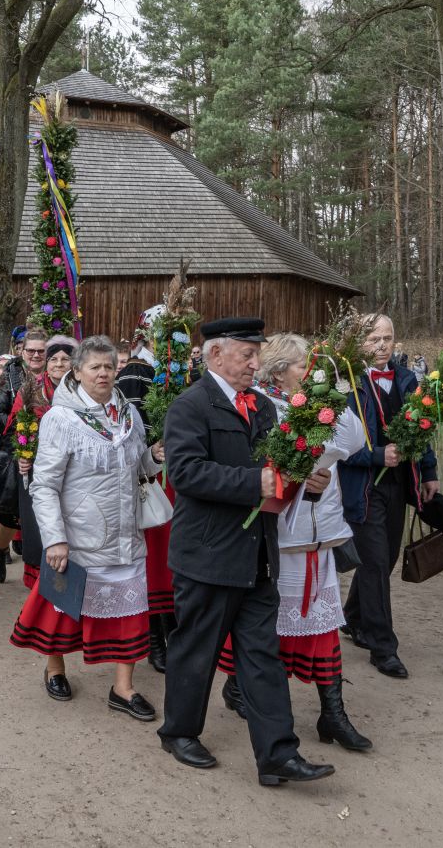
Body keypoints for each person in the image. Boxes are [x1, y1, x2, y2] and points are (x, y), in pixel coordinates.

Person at [159, 316, 336, 786]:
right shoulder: (190, 406)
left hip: (258, 554)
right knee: (197, 649)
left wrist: (305, 479)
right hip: (208, 555)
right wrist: (251, 482)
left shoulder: (261, 406)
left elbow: (276, 469)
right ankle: (178, 732)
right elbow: (186, 473)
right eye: (248, 354)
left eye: (257, 354)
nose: (256, 363)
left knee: (261, 655)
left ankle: (277, 753)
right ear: (216, 355)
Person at [218, 334, 372, 752]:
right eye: (305, 365)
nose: (313, 372)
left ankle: (332, 713)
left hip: (320, 529)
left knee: (322, 622)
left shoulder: (322, 406)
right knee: (269, 620)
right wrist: (308, 463)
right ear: (281, 369)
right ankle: (238, 685)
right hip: (282, 531)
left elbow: (353, 439)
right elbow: (275, 458)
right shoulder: (266, 405)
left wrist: (326, 421)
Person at [10, 335, 163, 719]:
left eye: (109, 366)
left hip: (126, 533)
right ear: (77, 372)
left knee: (130, 611)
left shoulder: (129, 413)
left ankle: (122, 688)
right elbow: (44, 485)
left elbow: (138, 470)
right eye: (94, 366)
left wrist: (154, 457)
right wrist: (56, 539)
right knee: (65, 606)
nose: (104, 373)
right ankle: (55, 666)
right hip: (80, 534)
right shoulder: (61, 419)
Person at [338, 313, 437, 679]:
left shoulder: (409, 379)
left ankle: (352, 619)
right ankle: (383, 648)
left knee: (385, 559)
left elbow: (420, 429)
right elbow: (338, 447)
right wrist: (377, 455)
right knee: (376, 563)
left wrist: (429, 472)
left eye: (387, 337)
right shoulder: (346, 384)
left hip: (400, 483)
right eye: (373, 338)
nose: (381, 345)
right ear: (359, 342)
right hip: (363, 488)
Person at [118, 331, 176, 674]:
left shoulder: (186, 371)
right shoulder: (137, 371)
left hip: (181, 480)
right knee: (154, 562)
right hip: (153, 481)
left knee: (174, 562)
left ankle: (175, 633)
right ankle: (155, 638)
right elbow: (132, 431)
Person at [11, 336, 76, 589]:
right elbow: (16, 425)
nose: (59, 364)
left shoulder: (81, 389)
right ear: (46, 364)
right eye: (54, 359)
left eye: (65, 359)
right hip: (36, 466)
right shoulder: (31, 387)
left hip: (72, 467)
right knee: (39, 523)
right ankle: (39, 582)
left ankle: (65, 580)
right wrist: (22, 455)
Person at [0, 329, 48, 581]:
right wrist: (22, 428)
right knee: (11, 514)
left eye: (41, 351)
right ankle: (0, 550)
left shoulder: (58, 377)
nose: (35, 355)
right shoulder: (10, 377)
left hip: (50, 453)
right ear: (22, 352)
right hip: (17, 450)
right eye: (30, 350)